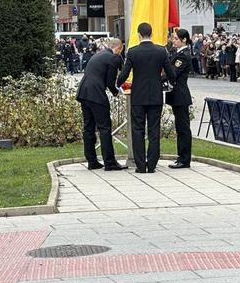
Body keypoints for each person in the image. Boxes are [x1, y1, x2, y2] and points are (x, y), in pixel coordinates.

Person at [117, 23, 176, 173]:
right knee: (154, 130)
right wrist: (168, 82)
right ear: (151, 33)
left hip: (138, 96)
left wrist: (117, 84)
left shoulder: (133, 52)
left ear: (138, 35)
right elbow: (171, 73)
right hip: (155, 95)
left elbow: (124, 73)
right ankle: (152, 164)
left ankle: (140, 165)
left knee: (137, 130)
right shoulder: (161, 51)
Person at [75, 38, 128, 171]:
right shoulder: (113, 57)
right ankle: (109, 162)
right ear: (119, 48)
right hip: (97, 95)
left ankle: (92, 161)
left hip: (84, 92)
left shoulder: (99, 55)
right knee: (104, 128)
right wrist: (118, 92)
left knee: (89, 127)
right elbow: (111, 81)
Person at [166, 28, 193, 169]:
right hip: (175, 94)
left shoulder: (183, 55)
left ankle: (185, 159)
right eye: (173, 38)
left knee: (183, 128)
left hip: (180, 95)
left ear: (184, 39)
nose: (173, 40)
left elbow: (173, 73)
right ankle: (180, 156)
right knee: (179, 128)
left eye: (176, 38)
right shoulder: (176, 53)